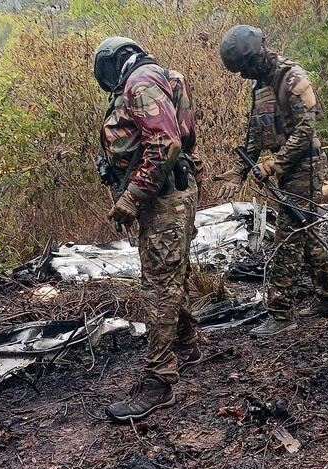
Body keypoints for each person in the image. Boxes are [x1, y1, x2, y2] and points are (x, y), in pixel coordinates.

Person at [93, 36, 202, 423]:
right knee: (171, 276)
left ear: (112, 64)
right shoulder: (161, 77)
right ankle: (187, 343)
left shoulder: (140, 83)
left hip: (163, 199)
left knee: (157, 286)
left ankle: (159, 382)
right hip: (173, 194)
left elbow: (166, 143)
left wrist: (130, 199)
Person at [214, 25, 328, 337]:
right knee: (308, 234)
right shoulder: (259, 86)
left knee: (287, 237)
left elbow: (306, 130)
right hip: (286, 170)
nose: (244, 75)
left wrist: (274, 163)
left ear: (258, 54)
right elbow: (254, 132)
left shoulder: (293, 77)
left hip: (305, 166)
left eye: (245, 67)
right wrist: (238, 170)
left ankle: (281, 313)